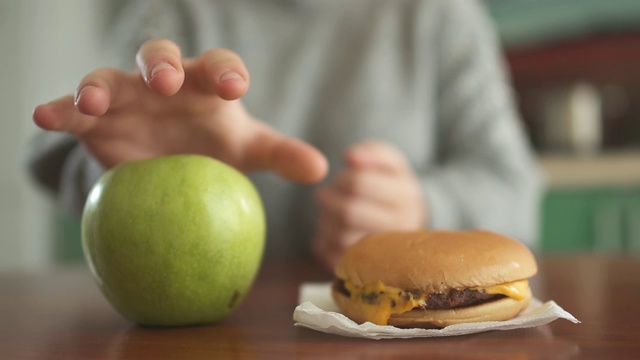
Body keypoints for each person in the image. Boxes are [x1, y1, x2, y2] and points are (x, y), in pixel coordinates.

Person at [29, 0, 543, 270]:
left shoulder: (440, 15)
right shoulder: (177, 10)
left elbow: (516, 189)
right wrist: (122, 172)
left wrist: (425, 211)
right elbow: (61, 156)